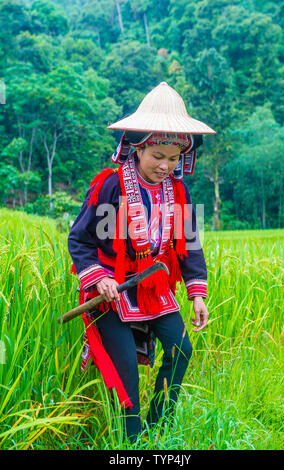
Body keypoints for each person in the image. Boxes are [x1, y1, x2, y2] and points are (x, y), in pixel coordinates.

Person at [67, 82, 215, 444]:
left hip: (154, 285)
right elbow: (80, 239)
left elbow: (190, 244)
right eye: (157, 156)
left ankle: (159, 426)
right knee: (126, 374)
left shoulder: (178, 191)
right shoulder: (111, 187)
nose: (166, 165)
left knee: (182, 348)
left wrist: (197, 294)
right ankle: (132, 442)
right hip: (113, 289)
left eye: (174, 157)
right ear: (137, 147)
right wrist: (98, 278)